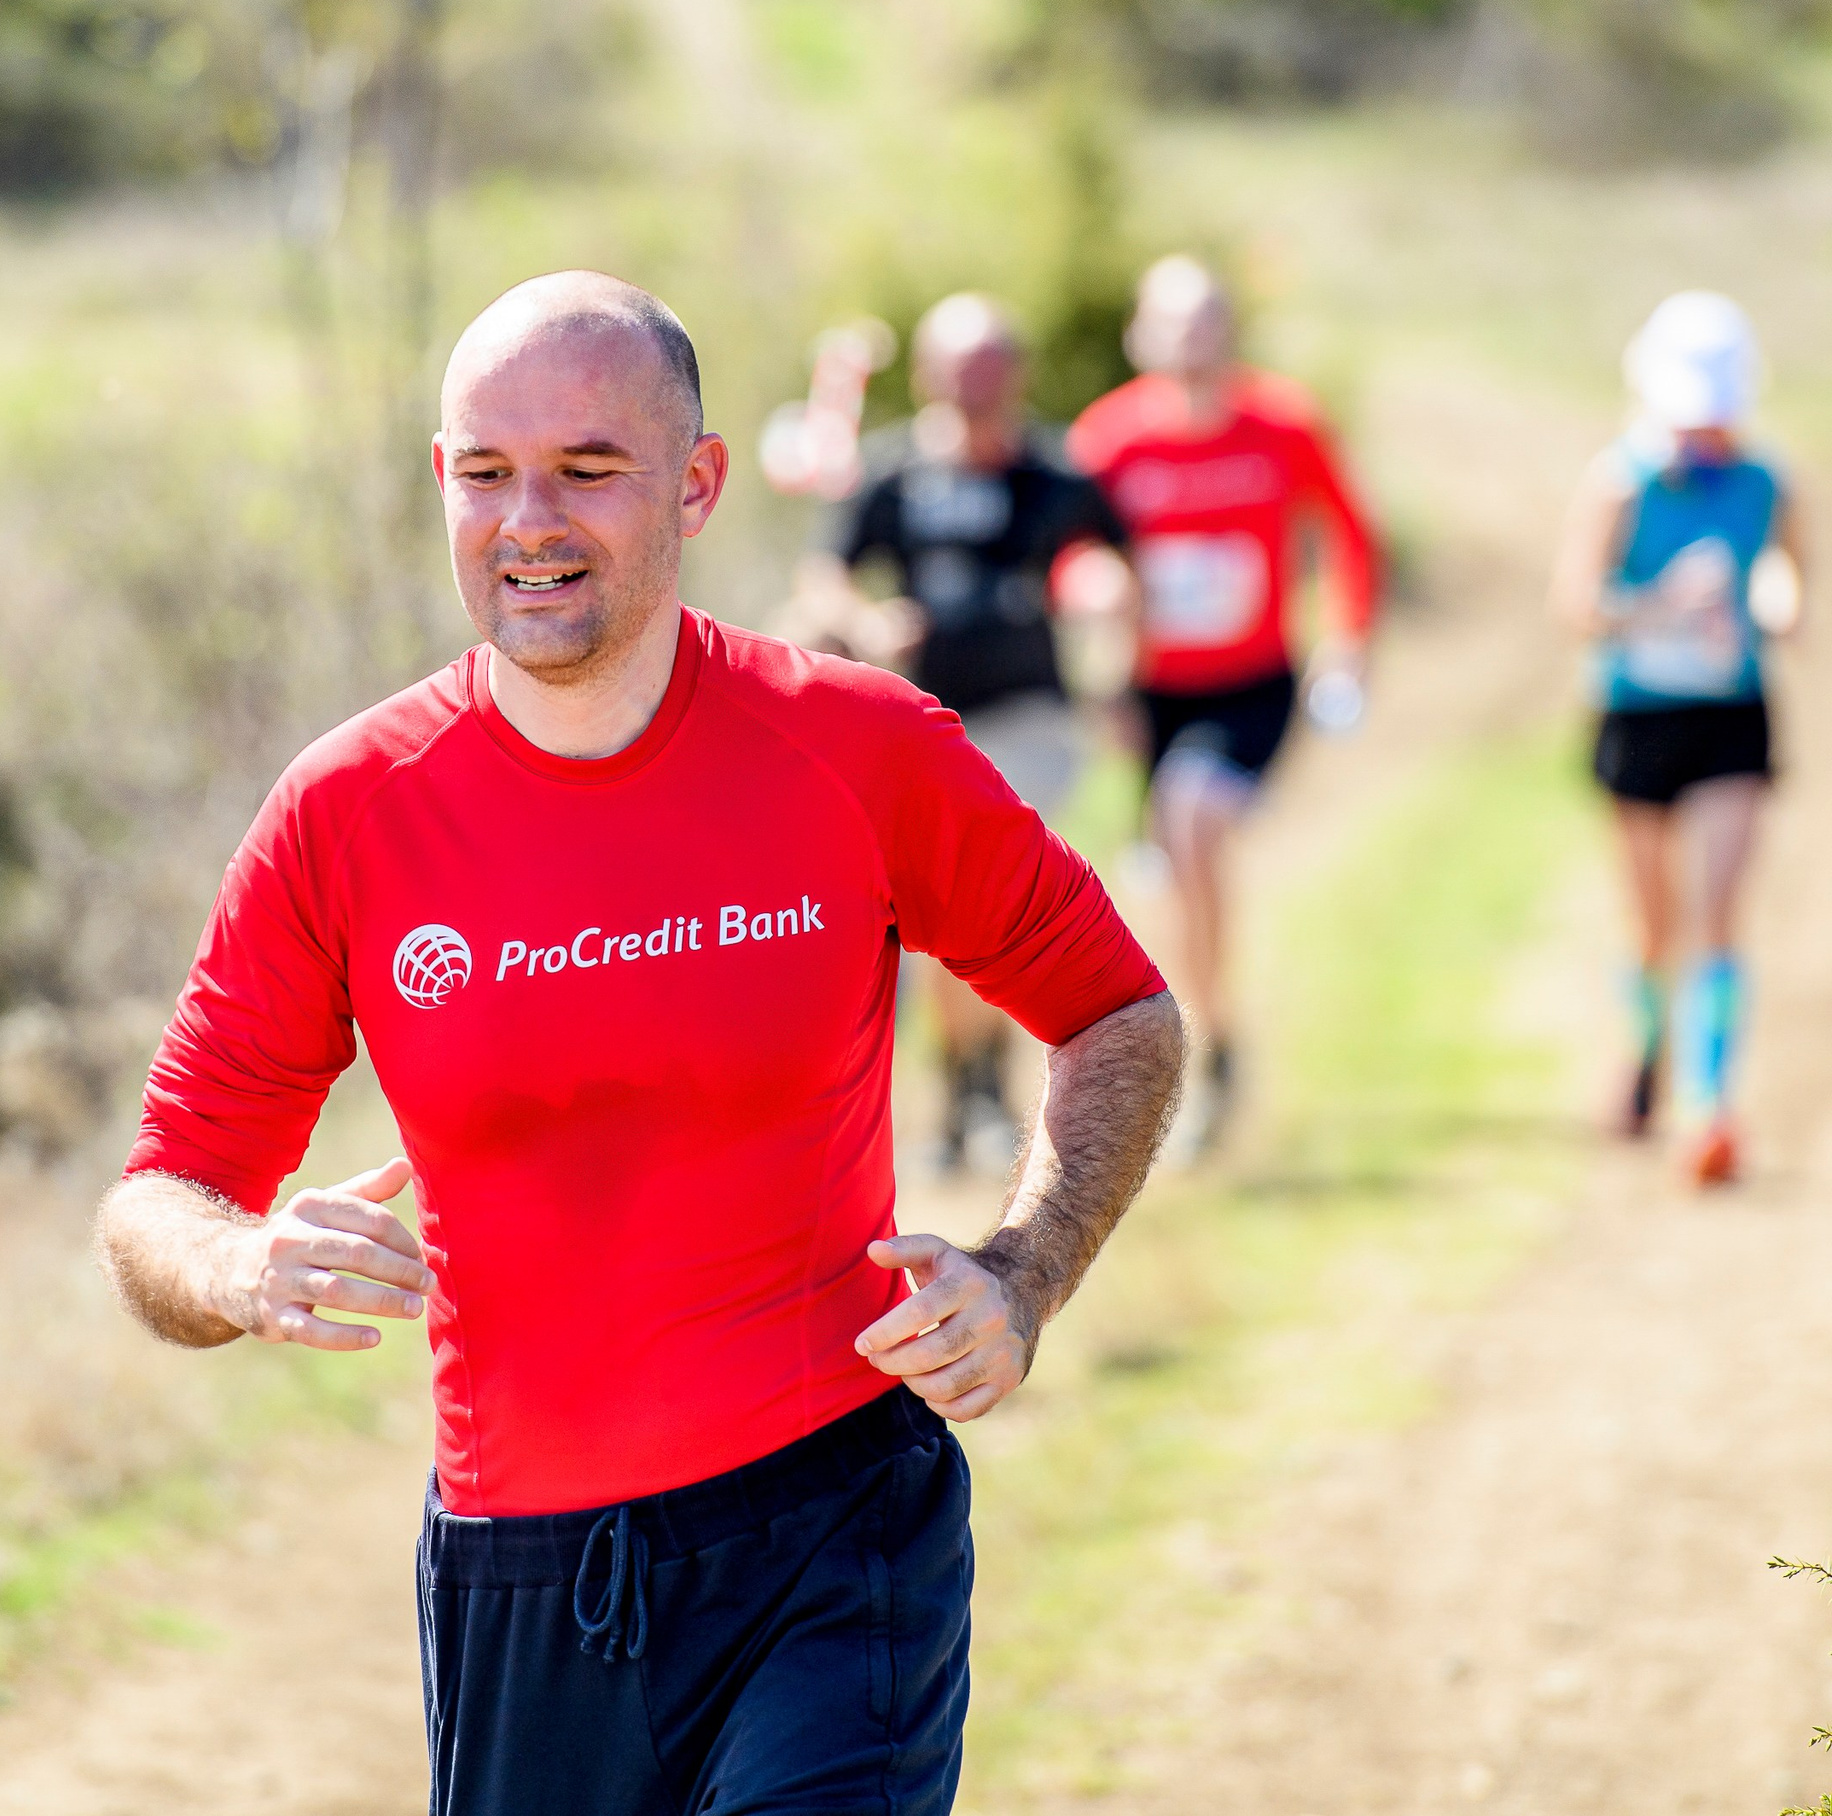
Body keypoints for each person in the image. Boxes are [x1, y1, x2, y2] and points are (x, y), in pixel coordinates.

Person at [95, 271, 1186, 1815]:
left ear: (697, 483)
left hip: (835, 1529)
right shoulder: (345, 814)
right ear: (442, 484)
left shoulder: (858, 749)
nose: (527, 519)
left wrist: (1028, 1271)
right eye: (487, 473)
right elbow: (162, 1192)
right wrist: (239, 1265)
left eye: (587, 470)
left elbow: (1118, 1011)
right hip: (522, 1584)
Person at [792, 293, 1132, 1173]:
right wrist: (865, 624)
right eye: (959, 372)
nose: (976, 391)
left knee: (977, 891)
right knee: (933, 923)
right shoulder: (893, 477)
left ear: (1016, 377)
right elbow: (823, 579)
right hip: (921, 729)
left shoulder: (1057, 479)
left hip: (1031, 722)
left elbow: (1122, 567)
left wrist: (1108, 624)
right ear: (931, 377)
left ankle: (978, 1089)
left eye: (991, 372)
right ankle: (968, 1086)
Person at [1068, 255, 1381, 1151]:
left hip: (1254, 684)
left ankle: (1211, 1045)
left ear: (1230, 331)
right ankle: (1212, 1038)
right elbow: (1064, 546)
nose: (1192, 342)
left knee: (1193, 817)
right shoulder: (1110, 438)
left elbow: (1352, 533)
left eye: (1208, 322)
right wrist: (1086, 584)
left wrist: (1349, 643)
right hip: (1150, 694)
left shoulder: (1283, 423)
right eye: (1174, 324)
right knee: (1170, 855)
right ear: (1142, 335)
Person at [1549, 290, 1805, 1185]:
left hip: (1732, 713)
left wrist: (1773, 607)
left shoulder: (1769, 481)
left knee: (1721, 911)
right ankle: (1647, 1047)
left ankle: (1711, 1106)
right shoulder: (1620, 481)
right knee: (1654, 924)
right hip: (1638, 715)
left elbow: (1792, 584)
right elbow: (1578, 605)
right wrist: (1660, 606)